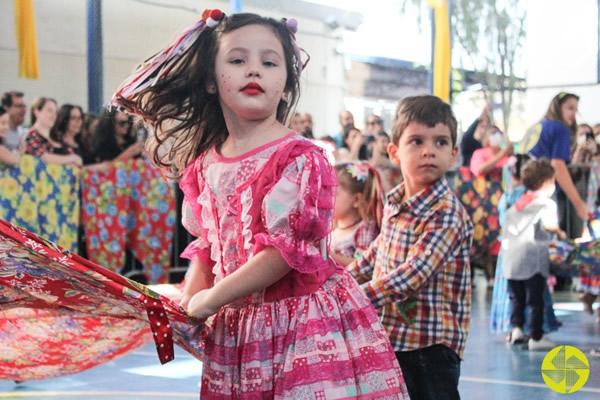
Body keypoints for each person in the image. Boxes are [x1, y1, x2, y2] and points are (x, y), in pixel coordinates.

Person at [112, 11, 408, 399]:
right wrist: (189, 300)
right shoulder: (205, 165)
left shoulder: (299, 158)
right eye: (237, 60)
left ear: (286, 84)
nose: (254, 70)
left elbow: (282, 255)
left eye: (269, 62)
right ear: (210, 81)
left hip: (301, 326)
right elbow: (208, 244)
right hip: (240, 331)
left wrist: (210, 300)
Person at [347, 95, 473, 400]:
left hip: (430, 349)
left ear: (454, 154)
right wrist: (341, 280)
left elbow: (413, 274)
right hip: (393, 339)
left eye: (440, 142)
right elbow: (378, 252)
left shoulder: (446, 212)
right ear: (394, 152)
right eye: (416, 141)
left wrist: (352, 299)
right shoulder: (395, 201)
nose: (429, 151)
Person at [502, 158, 566, 350]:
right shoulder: (545, 204)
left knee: (516, 298)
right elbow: (548, 224)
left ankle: (517, 329)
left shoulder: (518, 203)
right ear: (546, 182)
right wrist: (559, 232)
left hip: (511, 260)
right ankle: (536, 337)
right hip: (532, 260)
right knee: (535, 300)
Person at [518, 92, 589, 225]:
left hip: (519, 192)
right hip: (542, 191)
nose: (574, 113)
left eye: (576, 109)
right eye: (570, 108)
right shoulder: (560, 129)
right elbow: (558, 166)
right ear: (558, 106)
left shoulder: (539, 125)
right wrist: (579, 204)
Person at [331, 162, 384, 266]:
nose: (325, 198)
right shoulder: (330, 228)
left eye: (333, 193)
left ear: (357, 199)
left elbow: (363, 266)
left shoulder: (365, 230)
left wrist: (329, 257)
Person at [23, 97, 82, 167]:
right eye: (49, 111)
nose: (53, 116)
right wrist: (72, 158)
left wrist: (72, 159)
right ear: (37, 112)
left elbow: (78, 162)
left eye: (55, 112)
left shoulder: (59, 136)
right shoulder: (31, 135)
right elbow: (43, 158)